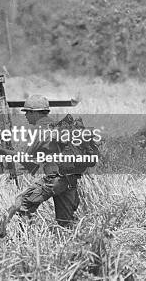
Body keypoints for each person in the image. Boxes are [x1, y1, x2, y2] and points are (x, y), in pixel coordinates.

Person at [16, 94, 96, 227]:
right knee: (65, 222)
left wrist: (3, 152)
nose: (25, 115)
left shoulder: (40, 129)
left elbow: (26, 157)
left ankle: (23, 241)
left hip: (54, 180)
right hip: (70, 181)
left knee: (23, 202)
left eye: (27, 112)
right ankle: (77, 243)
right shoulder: (57, 126)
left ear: (35, 113)